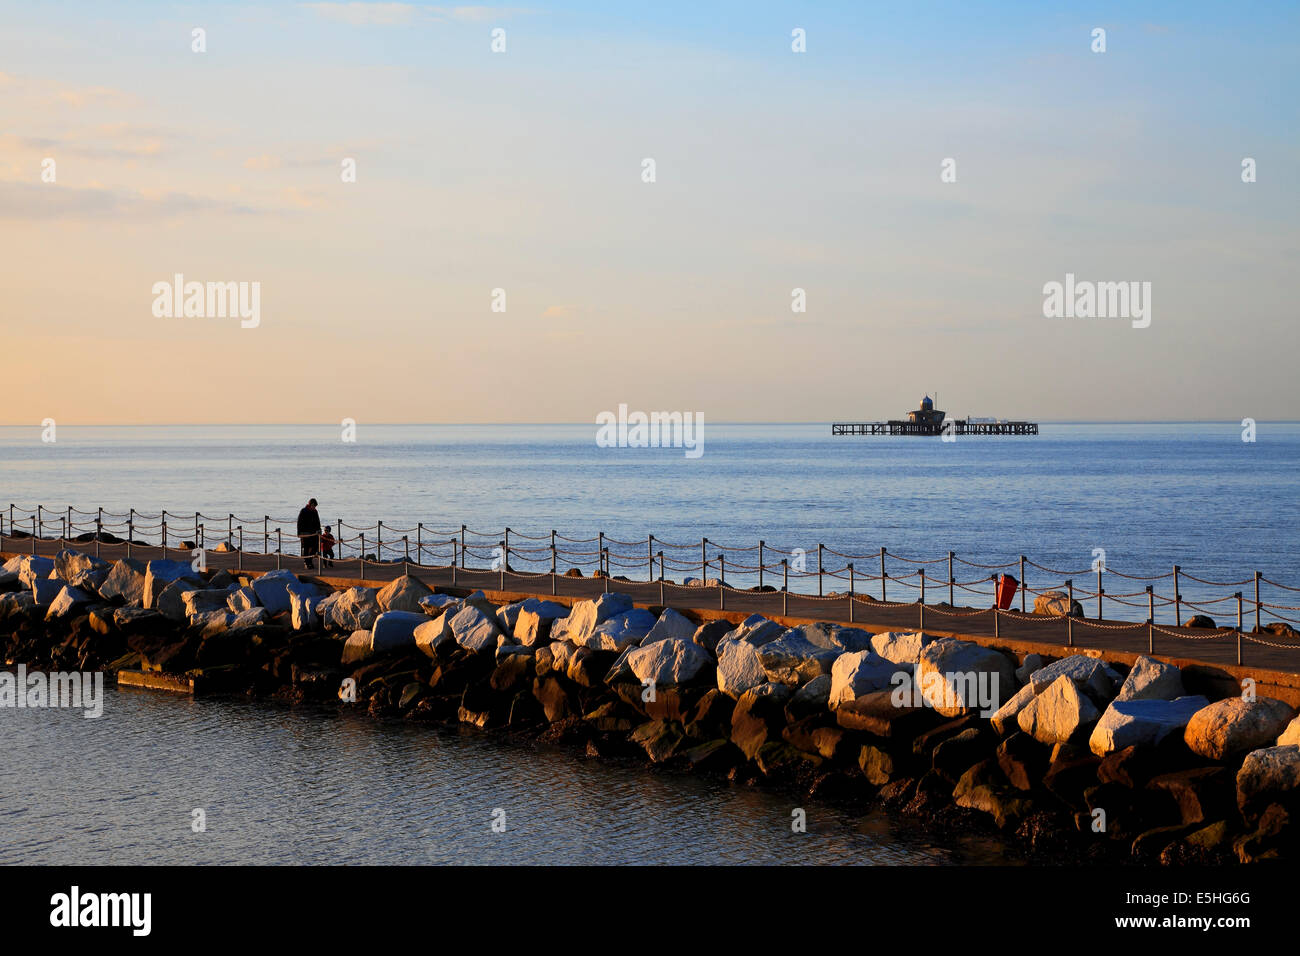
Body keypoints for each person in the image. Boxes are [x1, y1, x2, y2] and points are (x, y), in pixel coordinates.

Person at [297, 498, 322, 570]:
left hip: (314, 533)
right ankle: (306, 562)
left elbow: (318, 522)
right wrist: (299, 533)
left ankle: (310, 560)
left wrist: (319, 530)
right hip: (305, 533)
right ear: (311, 504)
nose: (314, 507)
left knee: (315, 546)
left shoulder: (315, 511)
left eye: (315, 506)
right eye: (314, 506)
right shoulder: (303, 511)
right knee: (306, 548)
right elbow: (299, 522)